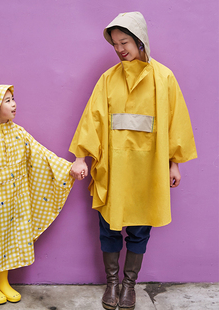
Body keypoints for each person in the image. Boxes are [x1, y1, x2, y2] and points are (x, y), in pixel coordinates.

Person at [69, 12, 197, 310]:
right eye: (115, 43)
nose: (119, 49)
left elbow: (175, 123)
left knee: (139, 230)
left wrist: (174, 163)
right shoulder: (108, 79)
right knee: (109, 227)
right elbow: (94, 118)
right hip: (114, 168)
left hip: (147, 170)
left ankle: (129, 285)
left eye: (124, 41)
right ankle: (112, 284)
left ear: (140, 41)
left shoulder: (164, 78)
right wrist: (80, 157)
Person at [0, 84, 74, 305]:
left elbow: (41, 154)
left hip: (14, 202)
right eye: (7, 100)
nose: (14, 104)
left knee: (8, 239)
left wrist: (68, 169)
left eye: (13, 99)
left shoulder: (18, 132)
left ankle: (2, 281)